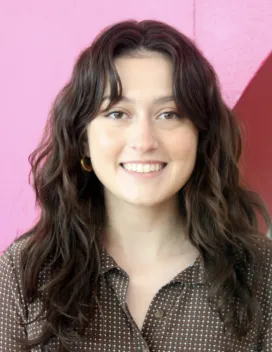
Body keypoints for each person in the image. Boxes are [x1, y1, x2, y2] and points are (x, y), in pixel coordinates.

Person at [0, 19, 271, 352]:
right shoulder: (23, 274)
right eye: (117, 113)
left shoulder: (262, 275)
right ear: (83, 139)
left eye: (169, 113)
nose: (144, 141)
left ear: (201, 137)